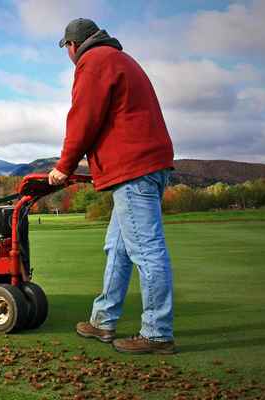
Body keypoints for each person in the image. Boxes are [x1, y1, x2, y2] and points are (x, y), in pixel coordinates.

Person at [48, 18, 176, 354]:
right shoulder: (121, 59)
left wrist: (64, 167)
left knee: (147, 252)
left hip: (134, 169)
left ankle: (158, 334)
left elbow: (83, 118)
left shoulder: (93, 63)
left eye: (67, 50)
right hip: (147, 164)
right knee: (117, 248)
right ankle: (103, 320)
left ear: (72, 46)